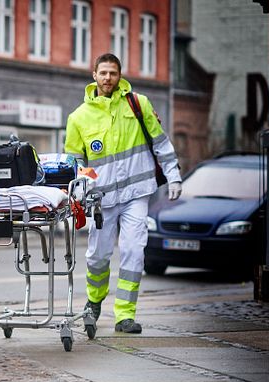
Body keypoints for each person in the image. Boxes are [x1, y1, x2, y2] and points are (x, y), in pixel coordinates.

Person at [65, 53, 182, 334]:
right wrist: (82, 189)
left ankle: (125, 315)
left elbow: (160, 143)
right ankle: (94, 302)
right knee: (97, 257)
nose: (108, 78)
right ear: (93, 75)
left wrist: (174, 175)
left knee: (133, 251)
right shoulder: (78, 117)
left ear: (120, 76)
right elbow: (75, 162)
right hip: (100, 199)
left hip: (136, 194)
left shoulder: (138, 104)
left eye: (113, 73)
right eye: (103, 73)